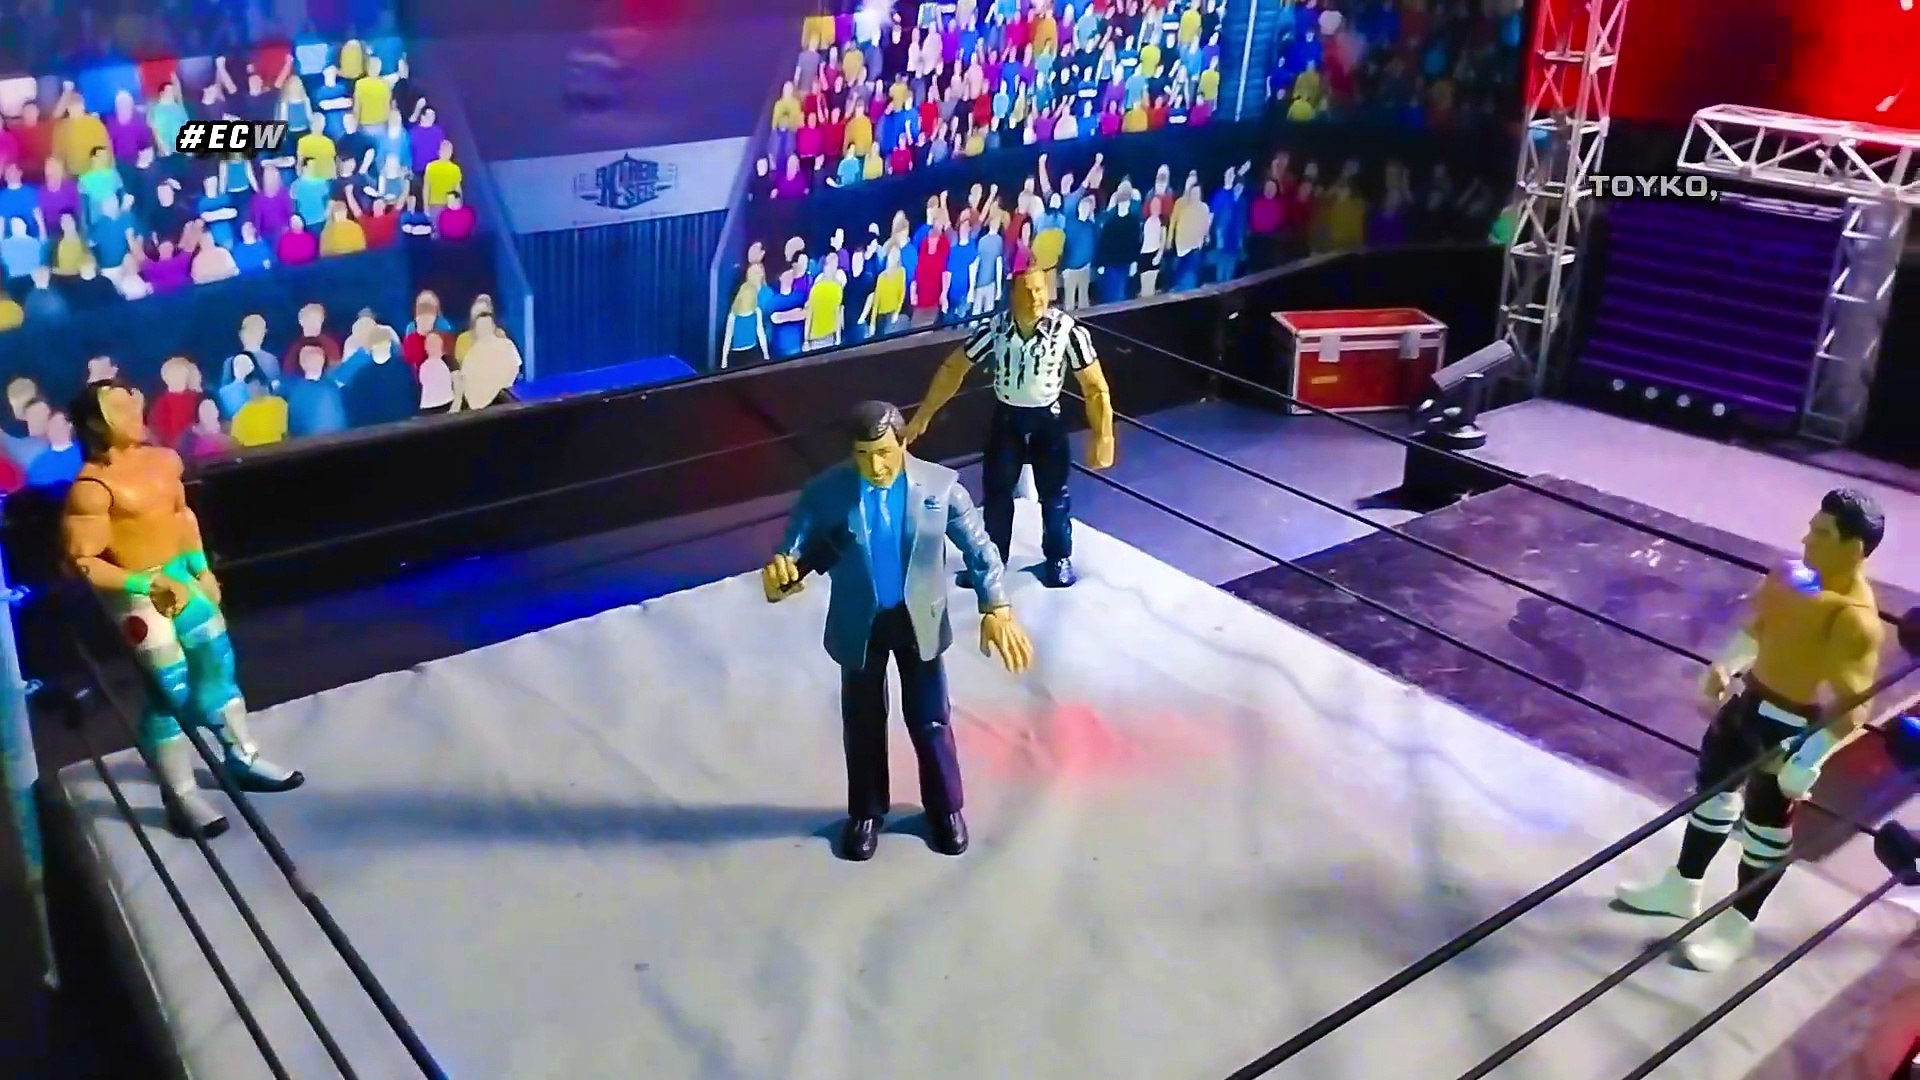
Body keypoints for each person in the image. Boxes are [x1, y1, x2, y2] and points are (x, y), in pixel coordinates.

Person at [1615, 489, 1886, 971]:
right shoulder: (1792, 576)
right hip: (1748, 704)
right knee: (1712, 792)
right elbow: (1757, 628)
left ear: (1854, 549)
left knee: (1765, 828)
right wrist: (1726, 664)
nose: (1807, 539)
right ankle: (1683, 884)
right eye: (1812, 527)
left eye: (1822, 533)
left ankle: (1737, 926)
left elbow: (1853, 706)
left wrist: (1809, 757)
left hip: (1790, 726)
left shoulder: (1853, 620)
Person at [763, 401, 1034, 861]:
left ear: (903, 444)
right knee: (863, 721)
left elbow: (981, 550)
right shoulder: (826, 493)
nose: (875, 466)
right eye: (863, 455)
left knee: (931, 719)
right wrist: (779, 574)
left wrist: (997, 606)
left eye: (885, 453)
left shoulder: (941, 488)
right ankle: (866, 812)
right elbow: (789, 552)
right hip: (859, 620)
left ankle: (945, 807)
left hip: (918, 619)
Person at [61, 378, 304, 838]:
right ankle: (180, 794)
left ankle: (243, 757)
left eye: (133, 404)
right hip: (136, 593)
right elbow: (84, 560)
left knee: (217, 664)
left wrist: (201, 568)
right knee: (167, 689)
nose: (134, 415)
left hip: (181, 579)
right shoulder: (92, 488)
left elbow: (182, 516)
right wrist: (143, 583)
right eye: (119, 409)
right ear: (96, 423)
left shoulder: (163, 461)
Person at [901, 268, 1116, 588]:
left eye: (1040, 290)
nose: (1035, 298)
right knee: (997, 492)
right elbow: (954, 367)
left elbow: (1095, 387)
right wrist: (924, 415)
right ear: (1012, 295)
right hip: (1007, 419)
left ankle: (1059, 557)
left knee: (1054, 494)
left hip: (1047, 420)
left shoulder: (1068, 332)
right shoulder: (995, 329)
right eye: (1027, 291)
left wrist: (1103, 435)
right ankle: (993, 558)